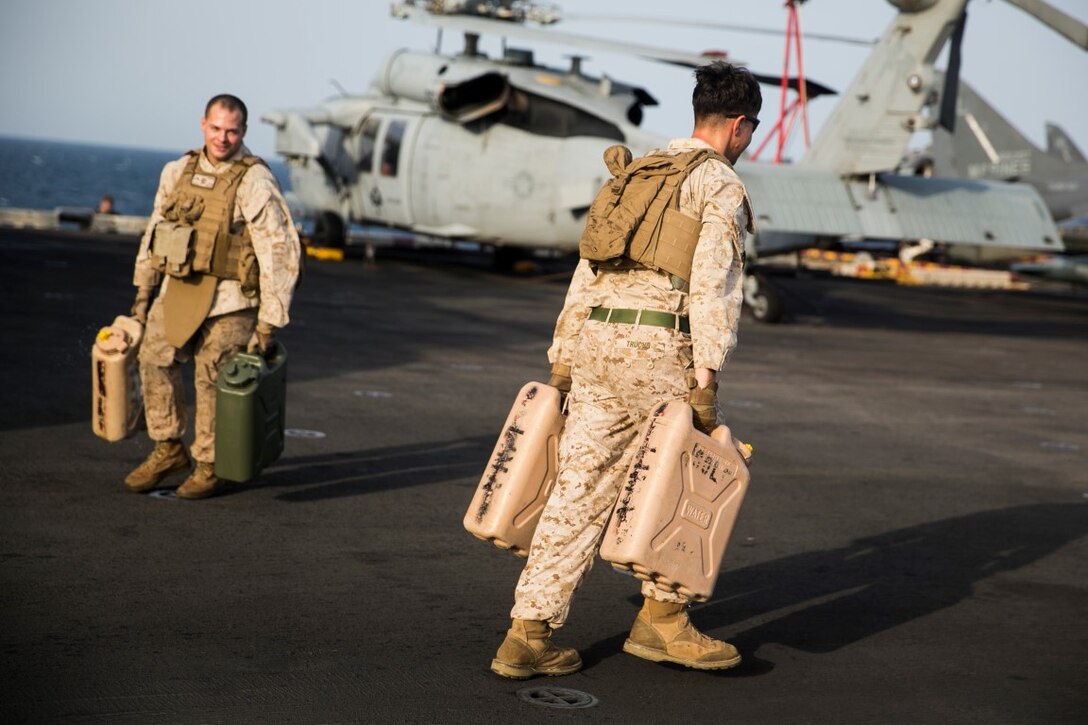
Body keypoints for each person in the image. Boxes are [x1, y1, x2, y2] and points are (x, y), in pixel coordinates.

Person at [490, 61, 760, 678]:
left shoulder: (637, 174)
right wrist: (706, 384)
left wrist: (561, 364)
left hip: (597, 346)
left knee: (578, 491)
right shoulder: (716, 185)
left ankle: (527, 634)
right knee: (689, 479)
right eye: (752, 130)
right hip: (661, 353)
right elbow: (713, 290)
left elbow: (588, 274)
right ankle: (662, 623)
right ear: (739, 126)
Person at [124, 94, 301, 500]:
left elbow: (279, 249)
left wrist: (269, 319)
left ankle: (209, 464)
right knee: (153, 359)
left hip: (231, 299)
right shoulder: (177, 172)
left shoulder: (255, 180)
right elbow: (155, 233)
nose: (223, 138)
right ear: (203, 124)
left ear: (243, 132)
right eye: (217, 128)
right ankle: (168, 448)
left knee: (212, 376)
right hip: (179, 289)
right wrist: (143, 292)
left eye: (232, 131)